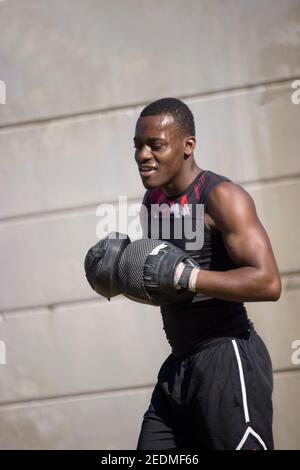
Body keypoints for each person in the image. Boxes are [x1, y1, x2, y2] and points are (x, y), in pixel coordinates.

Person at [133, 97, 281, 450]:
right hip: (179, 365)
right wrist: (123, 275)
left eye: (155, 145)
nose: (142, 155)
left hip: (227, 359)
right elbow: (166, 283)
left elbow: (268, 281)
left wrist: (191, 277)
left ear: (188, 146)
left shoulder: (222, 197)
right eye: (137, 145)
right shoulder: (152, 201)